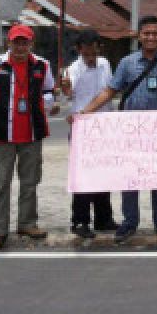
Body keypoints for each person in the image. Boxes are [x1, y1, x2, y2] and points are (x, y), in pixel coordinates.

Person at [78, 15, 157, 244]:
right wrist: (86, 112)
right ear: (139, 35)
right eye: (146, 33)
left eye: (155, 33)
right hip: (131, 130)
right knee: (130, 178)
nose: (151, 37)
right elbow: (110, 91)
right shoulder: (127, 62)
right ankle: (129, 222)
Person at [0, 23, 59, 252]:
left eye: (25, 42)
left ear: (31, 43)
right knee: (0, 184)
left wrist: (51, 104)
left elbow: (48, 91)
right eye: (16, 42)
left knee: (30, 181)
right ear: (9, 42)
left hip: (32, 133)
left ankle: (27, 223)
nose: (20, 46)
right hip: (1, 133)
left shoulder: (42, 65)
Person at [61, 30, 117, 238]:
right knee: (83, 177)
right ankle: (79, 221)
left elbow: (110, 91)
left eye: (94, 51)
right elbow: (68, 93)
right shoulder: (73, 70)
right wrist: (66, 90)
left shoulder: (105, 64)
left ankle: (104, 219)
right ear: (79, 50)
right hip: (82, 129)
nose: (91, 57)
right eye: (87, 53)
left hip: (104, 127)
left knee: (103, 175)